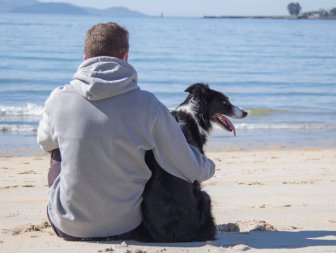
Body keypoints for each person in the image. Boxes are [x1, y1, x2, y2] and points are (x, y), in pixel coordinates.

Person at [37, 22, 215, 241]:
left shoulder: (58, 99)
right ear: (125, 57)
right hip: (126, 227)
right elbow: (189, 168)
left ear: (85, 57)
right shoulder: (148, 105)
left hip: (68, 227)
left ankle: (77, 211)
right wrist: (208, 166)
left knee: (56, 148)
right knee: (158, 149)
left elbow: (44, 142)